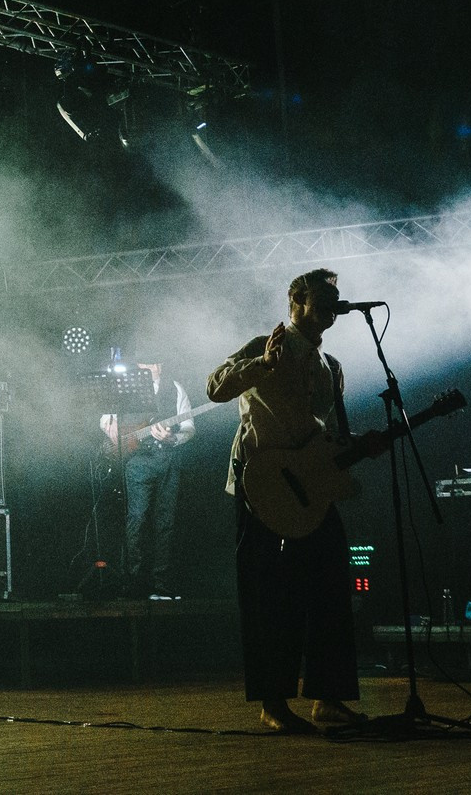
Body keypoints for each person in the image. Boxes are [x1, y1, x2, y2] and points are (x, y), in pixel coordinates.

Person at [205, 268, 374, 734]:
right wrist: (262, 363)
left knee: (331, 585)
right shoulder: (266, 342)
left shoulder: (332, 366)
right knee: (269, 596)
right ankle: (273, 703)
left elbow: (327, 434)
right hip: (262, 483)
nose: (331, 305)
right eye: (321, 297)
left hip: (310, 487)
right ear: (295, 299)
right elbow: (215, 387)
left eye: (336, 299)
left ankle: (328, 697)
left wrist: (356, 444)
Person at [98, 360, 195, 599]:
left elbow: (189, 426)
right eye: (148, 363)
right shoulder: (126, 387)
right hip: (138, 461)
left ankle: (161, 585)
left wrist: (173, 439)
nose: (154, 368)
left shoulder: (175, 388)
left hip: (168, 459)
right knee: (137, 519)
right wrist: (109, 427)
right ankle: (133, 583)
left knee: (166, 522)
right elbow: (104, 418)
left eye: (157, 363)